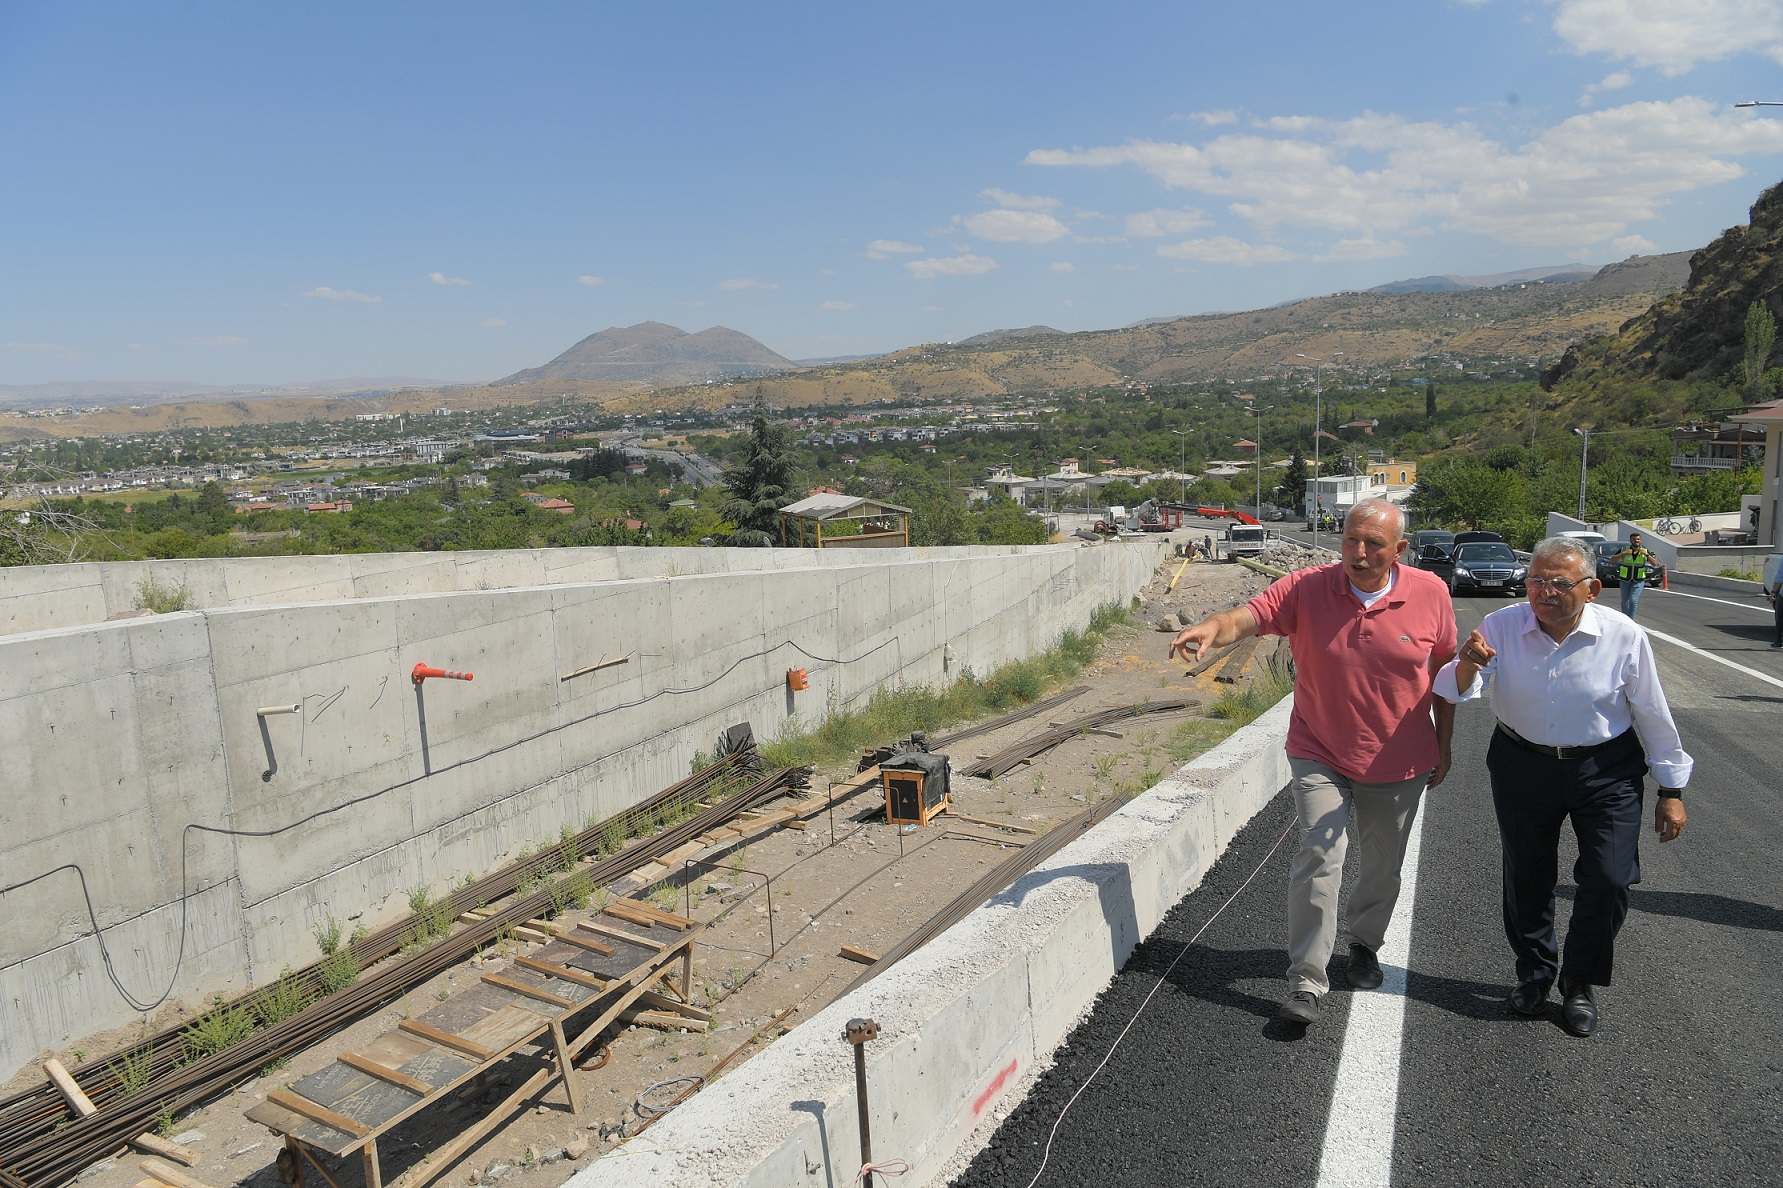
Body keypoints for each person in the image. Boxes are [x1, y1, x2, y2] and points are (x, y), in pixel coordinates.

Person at [1169, 497, 1457, 1025]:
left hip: (1399, 755)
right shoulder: (1308, 587)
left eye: (1374, 544)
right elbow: (1249, 617)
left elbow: (1444, 677)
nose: (1360, 552)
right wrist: (1212, 628)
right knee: (1319, 856)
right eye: (1351, 539)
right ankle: (1306, 978)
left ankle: (1364, 945)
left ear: (1400, 550)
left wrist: (1446, 744)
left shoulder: (1431, 593)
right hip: (1318, 748)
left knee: (1382, 864)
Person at [1434, 536, 1690, 1038]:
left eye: (1558, 582)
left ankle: (1579, 980)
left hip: (1606, 769)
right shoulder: (1501, 626)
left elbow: (1652, 713)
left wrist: (1671, 789)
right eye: (1535, 580)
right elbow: (1456, 688)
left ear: (1592, 588)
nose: (1543, 592)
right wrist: (1468, 662)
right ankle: (1534, 974)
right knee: (1527, 875)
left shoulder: (1624, 635)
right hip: (1522, 762)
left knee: (1611, 876)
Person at [1611, 533, 1655, 619]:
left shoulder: (1645, 551)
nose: (1636, 541)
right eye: (1634, 539)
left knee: (1633, 601)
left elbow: (1654, 563)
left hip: (1638, 580)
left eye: (1638, 539)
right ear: (1630, 541)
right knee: (1624, 602)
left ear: (1640, 540)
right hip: (1625, 580)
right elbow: (1612, 560)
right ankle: (1625, 618)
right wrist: (1623, 553)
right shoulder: (1624, 549)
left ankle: (1630, 620)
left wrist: (1647, 555)